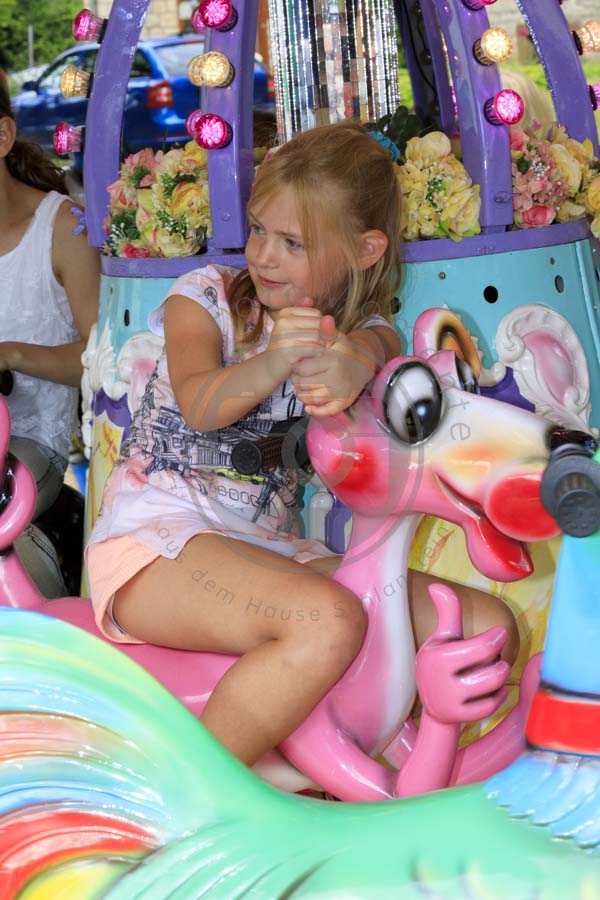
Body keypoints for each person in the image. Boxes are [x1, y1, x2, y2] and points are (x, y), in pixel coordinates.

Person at [86, 122, 518, 767]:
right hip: (153, 541)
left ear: (366, 249)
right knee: (329, 621)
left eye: (292, 243)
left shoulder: (363, 333)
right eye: (259, 230)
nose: (263, 256)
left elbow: (378, 346)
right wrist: (275, 361)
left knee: (485, 628)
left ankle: (395, 769)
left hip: (272, 547)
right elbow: (201, 405)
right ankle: (194, 796)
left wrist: (358, 360)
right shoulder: (205, 297)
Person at [0, 82, 100, 589]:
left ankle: (50, 615)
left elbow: (101, 358)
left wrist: (10, 355)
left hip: (27, 442)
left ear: (3, 137)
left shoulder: (63, 228)